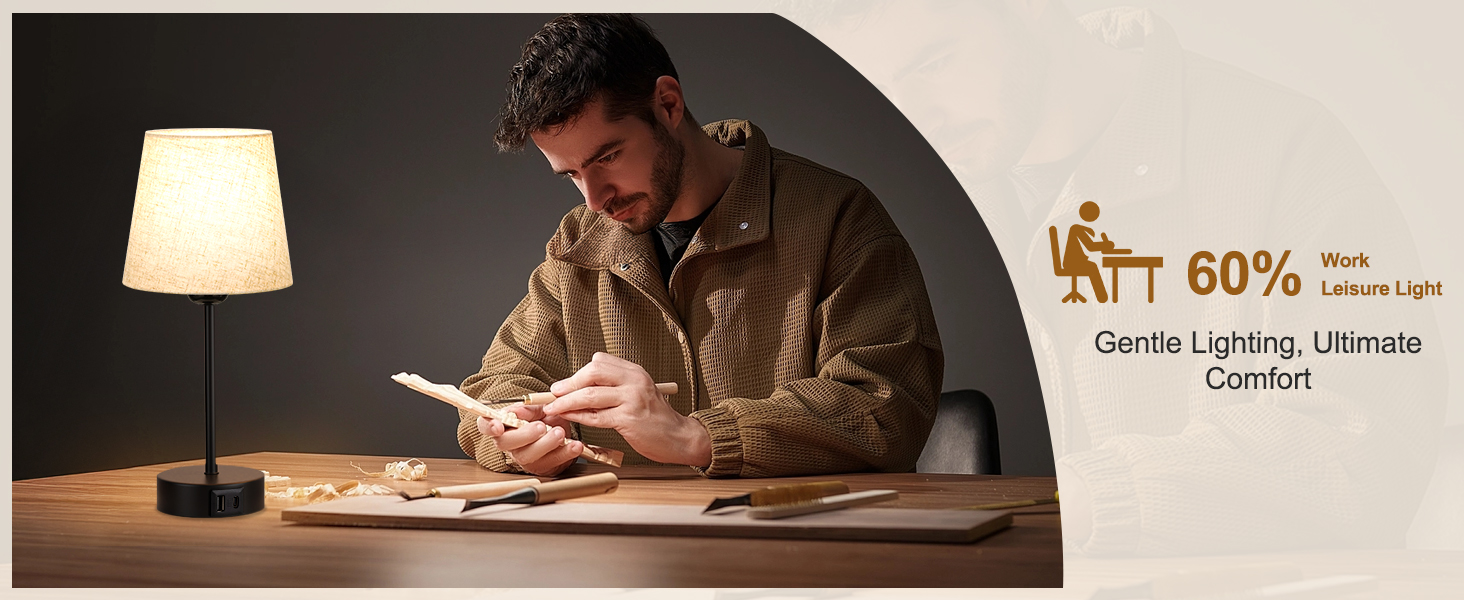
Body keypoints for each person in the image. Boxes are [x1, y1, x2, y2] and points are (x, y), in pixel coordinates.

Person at [800, 1, 1443, 556]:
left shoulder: (1289, 152)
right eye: (887, 89)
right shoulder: (925, 202)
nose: (921, 118)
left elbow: (1365, 446)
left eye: (933, 64)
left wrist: (1081, 497)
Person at [456, 14, 944, 478]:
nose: (595, 198)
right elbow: (492, 391)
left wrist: (697, 437)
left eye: (608, 156)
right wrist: (521, 442)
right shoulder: (580, 243)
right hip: (628, 554)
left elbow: (886, 408)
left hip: (803, 552)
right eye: (572, 175)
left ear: (668, 105)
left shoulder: (836, 215)